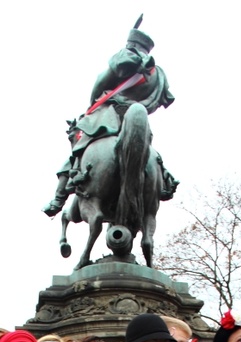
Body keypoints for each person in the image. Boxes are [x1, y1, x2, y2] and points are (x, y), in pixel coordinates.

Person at [43, 21, 176, 216]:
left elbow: (100, 82)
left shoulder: (125, 57)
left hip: (109, 117)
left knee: (78, 148)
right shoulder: (159, 74)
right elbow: (156, 103)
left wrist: (93, 104)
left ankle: (59, 198)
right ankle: (163, 182)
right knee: (151, 155)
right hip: (139, 124)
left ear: (131, 43)